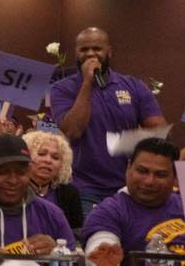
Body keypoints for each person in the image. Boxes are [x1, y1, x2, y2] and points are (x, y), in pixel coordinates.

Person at [50, 27, 166, 216]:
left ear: (109, 51)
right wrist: (87, 82)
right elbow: (73, 130)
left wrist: (120, 143)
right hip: (85, 189)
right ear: (76, 53)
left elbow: (160, 133)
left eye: (97, 48)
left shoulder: (133, 86)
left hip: (128, 188)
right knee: (94, 243)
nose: (90, 54)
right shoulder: (62, 89)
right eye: (84, 49)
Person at [81, 138, 183, 266]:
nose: (149, 181)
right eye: (142, 171)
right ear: (128, 168)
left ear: (174, 178)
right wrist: (105, 265)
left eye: (160, 175)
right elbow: (101, 242)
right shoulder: (110, 211)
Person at [0, 135, 74, 257]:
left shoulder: (52, 214)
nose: (13, 180)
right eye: (3, 172)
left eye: (21, 173)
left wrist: (55, 253)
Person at [23, 131, 83, 231]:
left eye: (55, 157)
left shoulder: (69, 193)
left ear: (62, 164)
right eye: (41, 154)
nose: (48, 160)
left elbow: (76, 233)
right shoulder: (14, 189)